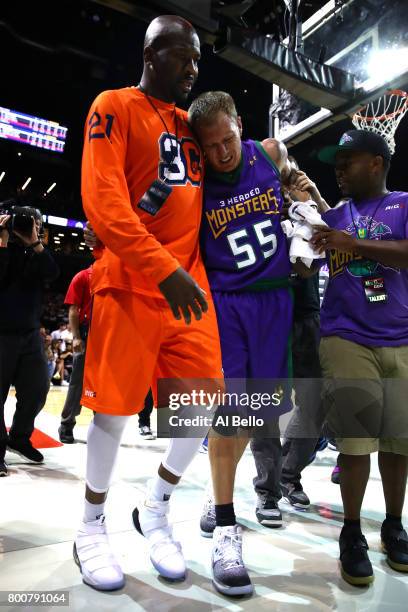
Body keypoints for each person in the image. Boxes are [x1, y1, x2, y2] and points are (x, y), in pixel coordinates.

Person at [75, 15, 222, 592]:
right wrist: (163, 269)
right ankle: (90, 526)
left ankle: (156, 507)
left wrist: (278, 167)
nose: (192, 68)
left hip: (190, 293)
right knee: (112, 411)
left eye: (197, 60)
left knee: (206, 405)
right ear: (153, 51)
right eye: (184, 56)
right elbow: (102, 201)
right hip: (134, 281)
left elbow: (236, 170)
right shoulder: (112, 105)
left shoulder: (193, 125)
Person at [187, 91, 321, 595]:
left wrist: (307, 207)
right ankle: (226, 525)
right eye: (212, 146)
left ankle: (215, 488)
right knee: (230, 412)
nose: (223, 152)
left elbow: (305, 198)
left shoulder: (269, 153)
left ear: (240, 125)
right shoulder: (198, 181)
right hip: (225, 303)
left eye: (228, 139)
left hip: (275, 301)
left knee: (252, 418)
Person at [312, 129, 408, 585]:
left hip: (401, 337)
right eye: (336, 160)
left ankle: (393, 524)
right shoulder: (333, 214)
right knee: (354, 443)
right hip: (345, 336)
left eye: (347, 159)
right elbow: (305, 255)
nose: (339, 167)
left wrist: (354, 245)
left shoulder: (404, 203)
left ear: (376, 162)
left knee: (398, 442)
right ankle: (352, 532)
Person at [0, 207, 59, 477]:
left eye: (34, 224)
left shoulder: (37, 253)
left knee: (38, 388)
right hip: (2, 333)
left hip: (30, 334)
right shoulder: (3, 248)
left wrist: (34, 243)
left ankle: (20, 437)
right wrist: (1, 241)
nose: (27, 227)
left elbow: (52, 272)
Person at [59, 266, 92, 443]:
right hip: (86, 335)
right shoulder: (82, 277)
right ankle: (66, 424)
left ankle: (101, 426)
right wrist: (77, 337)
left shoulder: (113, 276)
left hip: (107, 335)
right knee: (77, 383)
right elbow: (73, 309)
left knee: (103, 384)